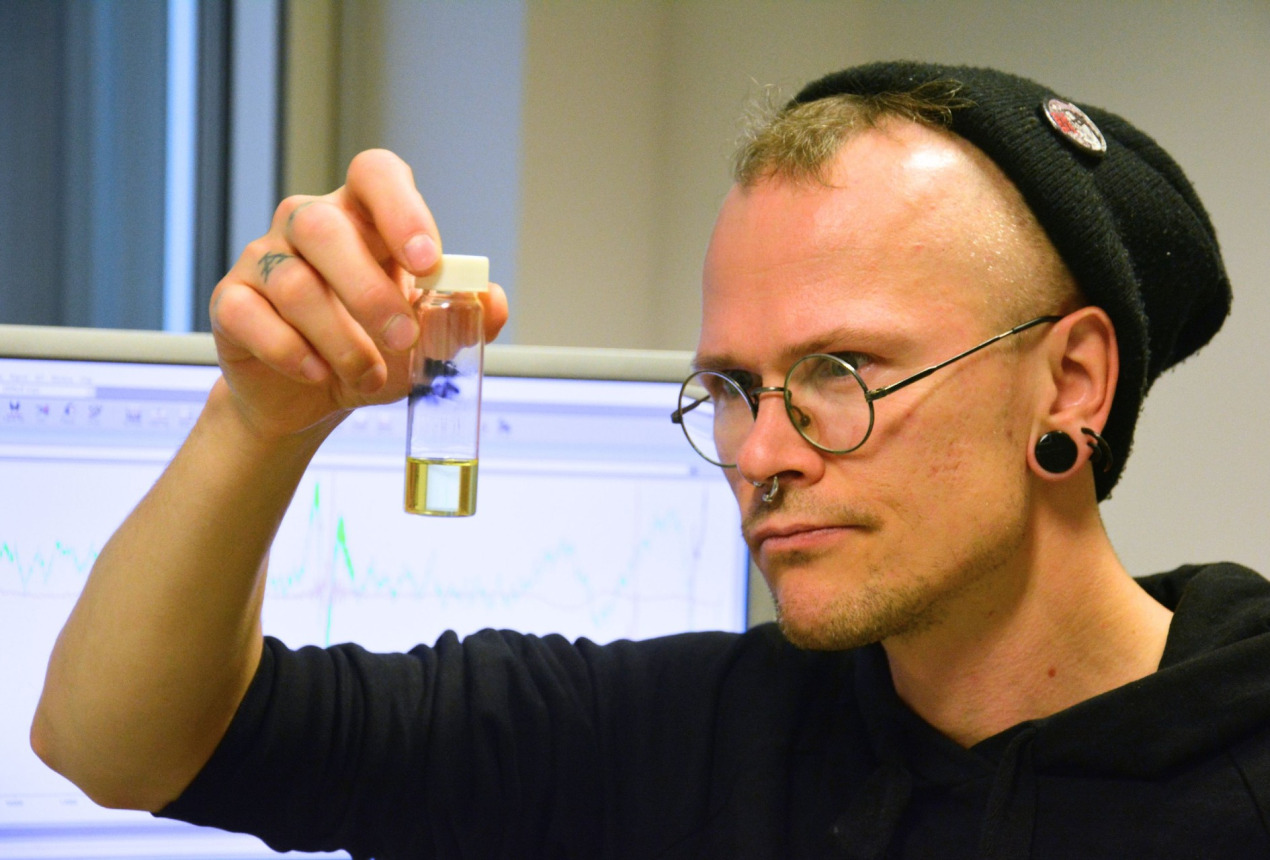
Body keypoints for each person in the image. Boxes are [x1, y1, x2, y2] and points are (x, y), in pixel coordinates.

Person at [29, 61, 1270, 859]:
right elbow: (120, 743)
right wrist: (264, 417)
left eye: (842, 370)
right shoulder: (687, 740)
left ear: (1069, 382)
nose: (761, 454)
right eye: (730, 389)